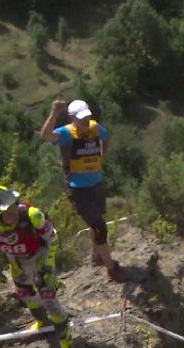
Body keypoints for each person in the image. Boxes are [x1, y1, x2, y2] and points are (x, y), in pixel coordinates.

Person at [0, 185, 73, 348]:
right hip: (16, 259)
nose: (13, 213)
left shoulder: (32, 215)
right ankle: (41, 323)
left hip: (40, 255)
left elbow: (53, 239)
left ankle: (66, 342)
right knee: (25, 294)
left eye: (13, 206)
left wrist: (48, 268)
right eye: (7, 212)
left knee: (48, 298)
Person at [39, 98, 129, 281]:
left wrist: (103, 155)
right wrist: (55, 112)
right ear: (72, 118)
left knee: (95, 223)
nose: (85, 122)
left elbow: (105, 136)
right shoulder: (66, 134)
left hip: (96, 184)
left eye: (87, 117)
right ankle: (111, 267)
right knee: (100, 227)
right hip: (78, 189)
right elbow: (46, 135)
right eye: (81, 119)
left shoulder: (95, 128)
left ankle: (97, 256)